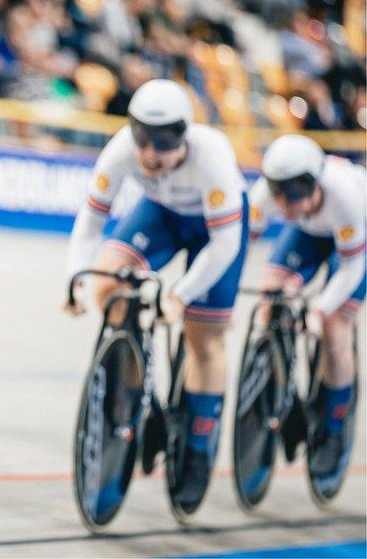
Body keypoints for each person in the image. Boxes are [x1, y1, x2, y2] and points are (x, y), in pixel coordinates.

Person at [63, 79, 248, 514]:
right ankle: (128, 390)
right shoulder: (120, 151)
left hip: (213, 232)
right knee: (107, 282)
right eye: (143, 140)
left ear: (184, 136)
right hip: (162, 215)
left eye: (163, 144)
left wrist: (181, 295)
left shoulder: (213, 156)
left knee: (204, 336)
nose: (150, 154)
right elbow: (90, 224)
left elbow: (225, 245)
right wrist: (75, 280)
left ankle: (199, 445)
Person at [248, 134, 365, 478]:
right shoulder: (266, 196)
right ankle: (277, 389)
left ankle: (333, 427)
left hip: (357, 239)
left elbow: (351, 268)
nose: (285, 205)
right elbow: (238, 243)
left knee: (334, 326)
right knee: (271, 296)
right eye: (279, 194)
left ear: (315, 183)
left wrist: (319, 309)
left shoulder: (344, 195)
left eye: (296, 194)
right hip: (311, 232)